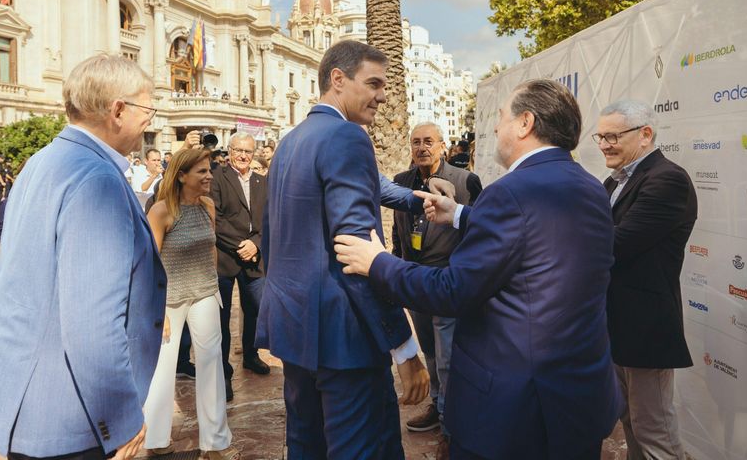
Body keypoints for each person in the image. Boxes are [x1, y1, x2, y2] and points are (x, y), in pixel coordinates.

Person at [335, 79, 623, 459]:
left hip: (514, 413)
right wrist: (459, 214)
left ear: (525, 123)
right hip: (580, 398)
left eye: (501, 118)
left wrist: (378, 263)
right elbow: (538, 240)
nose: (494, 128)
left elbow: (453, 290)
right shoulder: (589, 186)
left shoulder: (510, 192)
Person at [0, 54, 167, 460]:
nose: (151, 119)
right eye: (148, 109)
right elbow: (92, 321)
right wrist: (121, 416)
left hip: (28, 399)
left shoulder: (42, 161)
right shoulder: (97, 178)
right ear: (118, 110)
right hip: (72, 415)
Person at [255, 40, 430, 459]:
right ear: (338, 79)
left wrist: (419, 198)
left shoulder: (290, 143)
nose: (382, 95)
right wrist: (403, 346)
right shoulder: (348, 136)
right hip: (345, 337)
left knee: (306, 446)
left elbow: (271, 233)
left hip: (296, 333)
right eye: (373, 83)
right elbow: (357, 250)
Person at [594, 100, 696, 460]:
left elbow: (616, 243)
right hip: (615, 323)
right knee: (631, 421)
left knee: (655, 430)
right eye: (600, 136)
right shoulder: (613, 181)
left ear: (645, 134)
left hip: (646, 327)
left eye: (612, 136)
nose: (604, 144)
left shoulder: (668, 179)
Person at [392, 122, 482, 459]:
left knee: (447, 358)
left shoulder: (464, 181)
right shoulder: (402, 183)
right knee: (429, 350)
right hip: (416, 283)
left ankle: (449, 425)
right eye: (415, 142)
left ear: (442, 145)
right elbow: (400, 234)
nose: (421, 148)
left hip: (447, 282)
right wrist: (398, 267)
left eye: (428, 141)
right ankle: (436, 406)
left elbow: (477, 229)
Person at [143, 149, 238, 460]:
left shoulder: (207, 207)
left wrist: (214, 290)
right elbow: (149, 261)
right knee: (163, 369)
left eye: (209, 170)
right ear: (182, 176)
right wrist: (156, 308)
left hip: (205, 294)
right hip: (169, 300)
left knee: (211, 366)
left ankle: (216, 444)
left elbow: (209, 249)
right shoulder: (161, 211)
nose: (209, 176)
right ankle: (156, 439)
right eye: (201, 171)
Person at [212, 133, 271, 403]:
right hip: (225, 258)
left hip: (254, 259)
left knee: (256, 309)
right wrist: (241, 245)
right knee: (221, 319)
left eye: (248, 151)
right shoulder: (217, 177)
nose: (244, 155)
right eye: (238, 150)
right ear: (229, 151)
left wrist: (256, 245)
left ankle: (251, 355)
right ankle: (223, 372)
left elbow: (269, 219)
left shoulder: (263, 182)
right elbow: (216, 218)